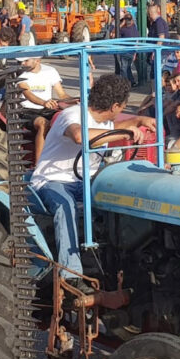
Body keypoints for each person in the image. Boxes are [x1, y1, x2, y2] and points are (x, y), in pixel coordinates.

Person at [30, 74, 156, 290]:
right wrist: (123, 132)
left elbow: (113, 126)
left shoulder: (104, 120)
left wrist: (139, 120)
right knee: (65, 205)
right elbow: (79, 136)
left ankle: (126, 262)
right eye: (124, 106)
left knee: (120, 196)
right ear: (116, 105)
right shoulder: (72, 115)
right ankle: (71, 275)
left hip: (85, 180)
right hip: (52, 179)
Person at [17, 58, 72, 161]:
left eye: (26, 61)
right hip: (27, 110)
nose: (22, 64)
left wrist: (76, 102)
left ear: (37, 60)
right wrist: (44, 102)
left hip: (47, 109)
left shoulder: (50, 71)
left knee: (68, 119)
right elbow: (28, 94)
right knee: (43, 123)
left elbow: (62, 94)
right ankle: (39, 164)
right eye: (21, 61)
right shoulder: (21, 74)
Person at [118, 12, 138, 86]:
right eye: (127, 19)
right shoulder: (128, 27)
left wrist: (135, 52)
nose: (128, 21)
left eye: (128, 19)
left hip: (128, 50)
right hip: (127, 50)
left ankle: (126, 83)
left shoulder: (130, 27)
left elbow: (137, 40)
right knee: (126, 67)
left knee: (124, 68)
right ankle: (131, 81)